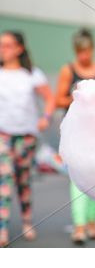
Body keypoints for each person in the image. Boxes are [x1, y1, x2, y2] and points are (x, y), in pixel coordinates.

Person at [55, 28, 95, 245]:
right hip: (76, 133)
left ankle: (92, 221)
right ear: (75, 51)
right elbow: (58, 99)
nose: (83, 56)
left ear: (92, 49)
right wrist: (78, 96)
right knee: (77, 180)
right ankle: (79, 226)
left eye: (86, 51)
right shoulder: (68, 70)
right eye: (79, 52)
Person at [0, 31, 55, 247]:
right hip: (3, 135)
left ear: (19, 49)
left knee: (23, 181)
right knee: (3, 179)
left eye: (7, 45)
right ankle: (2, 229)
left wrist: (46, 117)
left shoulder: (32, 74)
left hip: (27, 135)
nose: (3, 49)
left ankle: (26, 221)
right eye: (1, 45)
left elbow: (49, 99)